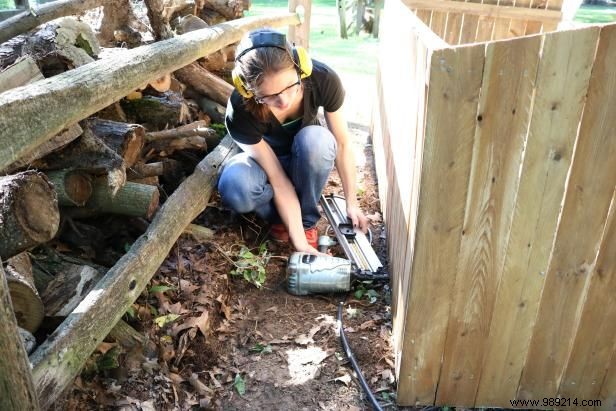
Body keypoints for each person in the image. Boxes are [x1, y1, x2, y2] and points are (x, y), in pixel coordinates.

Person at [218, 28, 368, 254]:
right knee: (236, 186)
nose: (283, 100)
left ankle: (305, 220)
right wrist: (299, 243)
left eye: (290, 86)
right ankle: (280, 219)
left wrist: (352, 203)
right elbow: (278, 179)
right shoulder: (239, 111)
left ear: (300, 67)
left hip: (306, 157)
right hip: (267, 169)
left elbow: (343, 144)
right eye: (268, 96)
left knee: (318, 141)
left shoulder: (322, 78)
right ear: (248, 90)